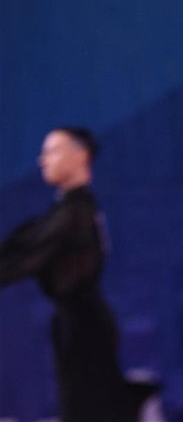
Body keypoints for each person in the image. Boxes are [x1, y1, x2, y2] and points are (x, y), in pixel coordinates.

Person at [0, 127, 132, 422]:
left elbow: (27, 253)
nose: (43, 160)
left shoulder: (74, 213)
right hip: (79, 323)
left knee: (89, 410)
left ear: (80, 156)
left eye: (53, 151)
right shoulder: (69, 211)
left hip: (84, 328)